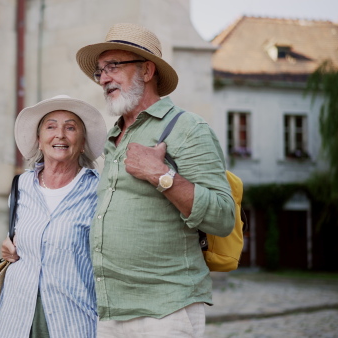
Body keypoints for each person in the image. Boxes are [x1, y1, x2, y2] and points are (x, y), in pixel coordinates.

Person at [75, 23, 236, 337]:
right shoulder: (112, 137)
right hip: (110, 310)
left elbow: (222, 216)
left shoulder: (188, 128)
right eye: (100, 71)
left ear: (147, 70)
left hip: (166, 309)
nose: (104, 78)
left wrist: (161, 175)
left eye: (113, 67)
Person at [0, 95, 107, 338]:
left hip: (73, 320)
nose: (60, 135)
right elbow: (16, 237)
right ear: (39, 139)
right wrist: (8, 244)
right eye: (51, 126)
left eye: (70, 127)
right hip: (16, 319)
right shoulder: (21, 185)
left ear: (83, 141)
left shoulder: (100, 190)